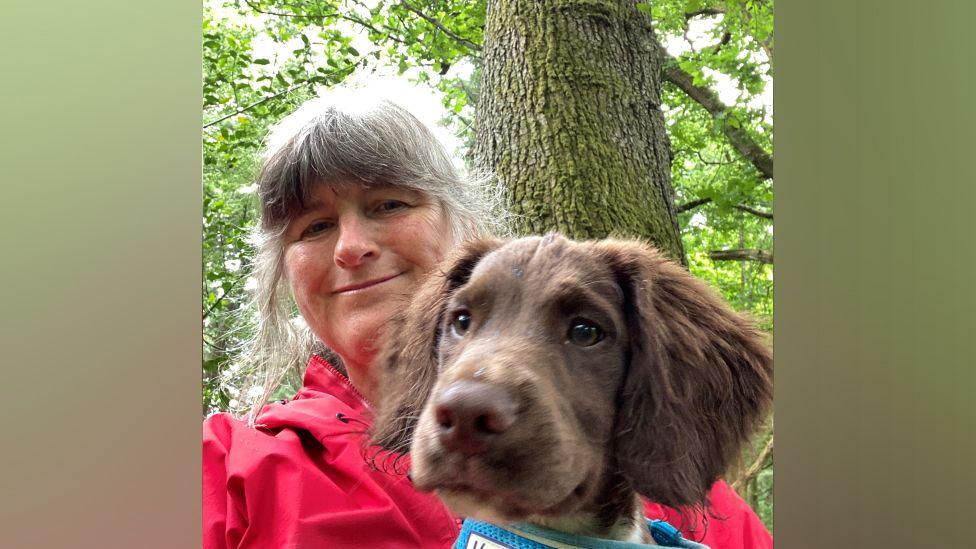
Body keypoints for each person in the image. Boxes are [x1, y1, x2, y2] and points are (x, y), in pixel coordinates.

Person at [202, 90, 773, 549]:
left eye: (389, 204)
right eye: (314, 227)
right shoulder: (226, 470)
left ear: (462, 220)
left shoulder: (687, 484)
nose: (351, 247)